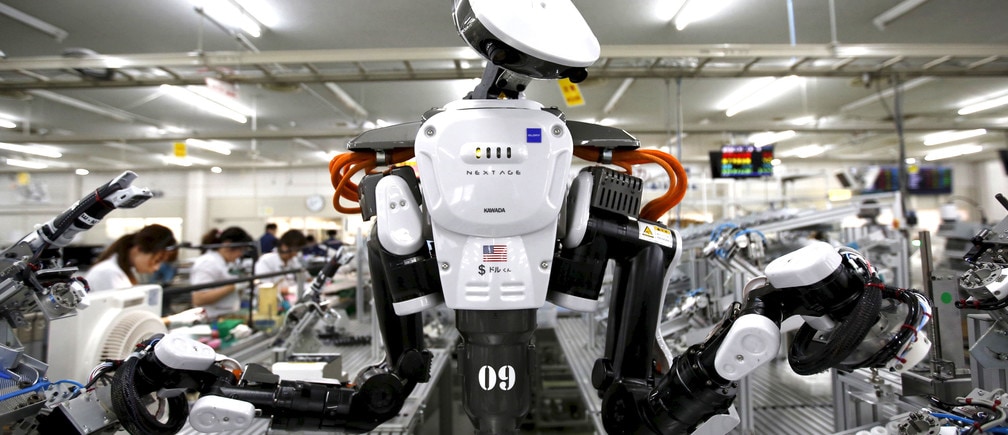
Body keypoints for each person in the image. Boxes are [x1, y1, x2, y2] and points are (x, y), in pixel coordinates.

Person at [84, 224, 177, 292]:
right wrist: (169, 319)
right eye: (157, 261)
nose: (157, 268)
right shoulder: (107, 273)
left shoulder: (123, 271)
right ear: (139, 249)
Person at [190, 226, 253, 319]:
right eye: (241, 249)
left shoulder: (227, 262)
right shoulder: (208, 262)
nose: (241, 254)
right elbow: (199, 299)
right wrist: (233, 286)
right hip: (211, 318)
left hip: (226, 315)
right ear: (228, 245)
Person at [255, 229, 308, 301]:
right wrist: (290, 290)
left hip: (291, 300)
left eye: (298, 251)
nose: (295, 254)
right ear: (284, 246)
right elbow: (264, 288)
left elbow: (306, 277)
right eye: (294, 250)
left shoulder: (293, 261)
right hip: (270, 302)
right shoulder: (266, 260)